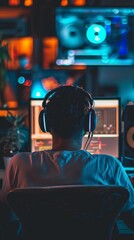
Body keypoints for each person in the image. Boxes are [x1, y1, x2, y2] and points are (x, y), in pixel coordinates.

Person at [0, 85, 134, 232]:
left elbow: (7, 215)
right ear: (89, 124)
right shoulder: (110, 166)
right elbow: (130, 213)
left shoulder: (20, 164)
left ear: (45, 124)